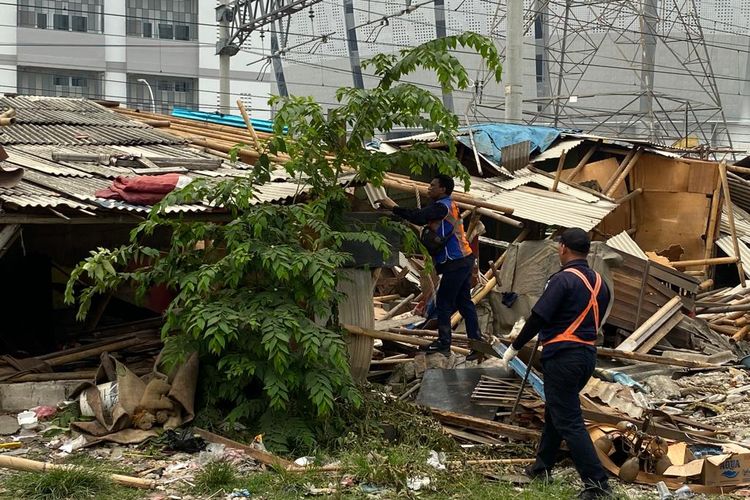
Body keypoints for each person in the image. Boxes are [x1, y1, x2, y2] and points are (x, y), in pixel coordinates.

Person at [500, 227, 612, 500]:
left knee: (569, 420)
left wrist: (514, 347)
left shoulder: (562, 280)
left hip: (563, 356)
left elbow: (538, 317)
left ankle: (597, 485)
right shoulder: (600, 283)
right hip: (586, 355)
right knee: (556, 412)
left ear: (562, 248)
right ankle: (542, 468)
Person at [379, 174, 482, 360]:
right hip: (463, 259)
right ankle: (477, 344)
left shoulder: (441, 207)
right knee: (464, 302)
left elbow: (417, 217)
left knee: (444, 302)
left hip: (455, 261)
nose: (429, 187)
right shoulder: (448, 205)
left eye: (432, 185)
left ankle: (444, 344)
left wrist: (392, 207)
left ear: (443, 189)